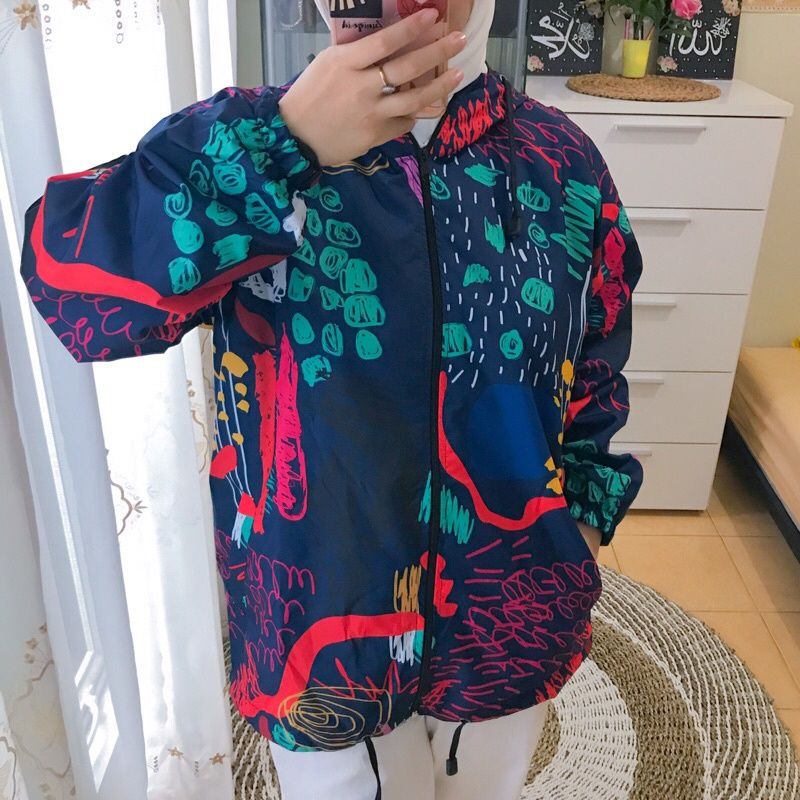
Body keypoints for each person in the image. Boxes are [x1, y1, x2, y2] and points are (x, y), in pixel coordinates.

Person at [18, 0, 644, 797]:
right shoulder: (250, 142)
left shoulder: (561, 161)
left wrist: (580, 524)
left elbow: (599, 355)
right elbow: (74, 295)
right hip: (316, 642)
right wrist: (285, 142)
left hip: (509, 622)